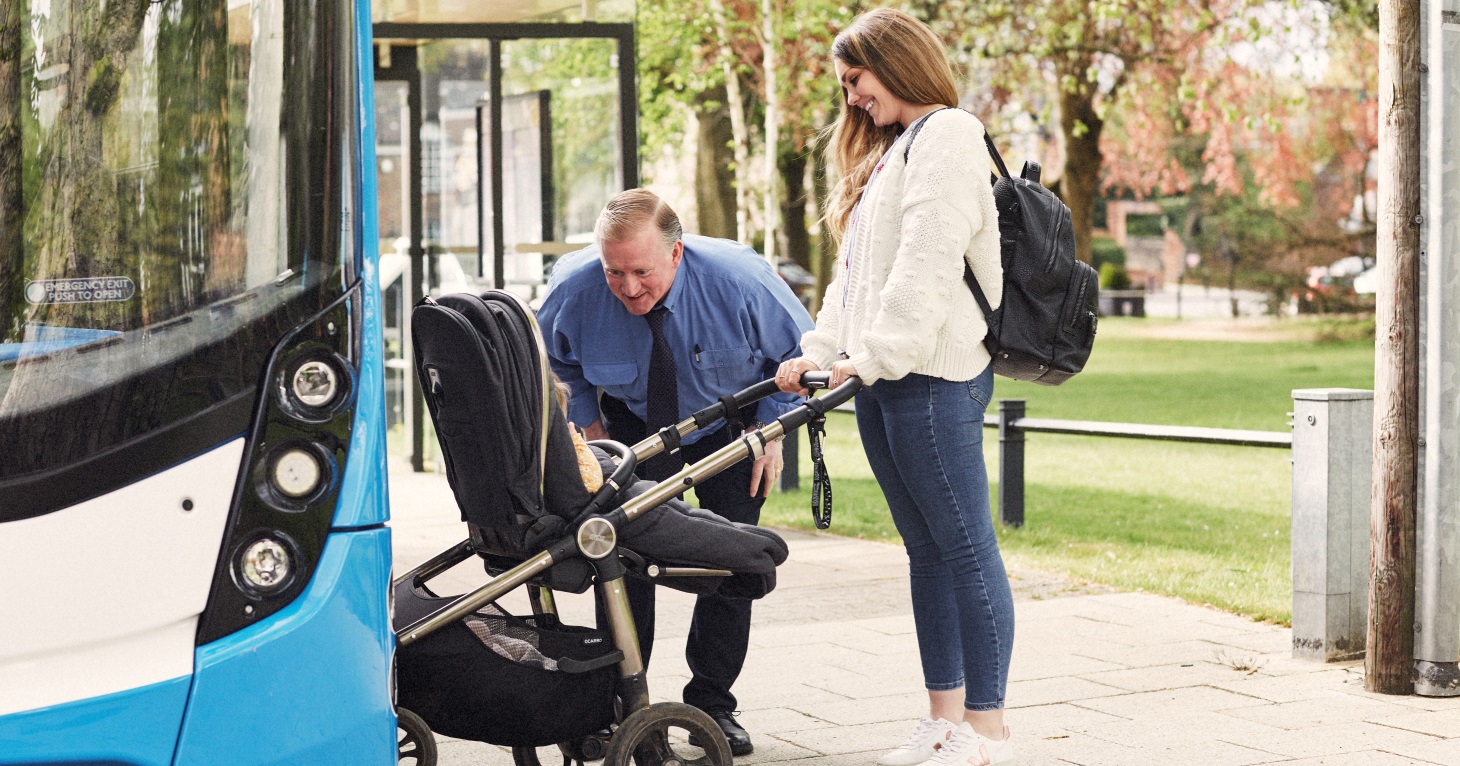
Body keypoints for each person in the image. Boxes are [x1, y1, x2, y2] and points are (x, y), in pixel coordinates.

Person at [775, 8, 1016, 766]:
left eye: (857, 80)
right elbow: (856, 276)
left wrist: (873, 354)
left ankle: (986, 733)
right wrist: (818, 350)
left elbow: (926, 262)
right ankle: (943, 720)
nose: (851, 98)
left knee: (967, 549)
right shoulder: (893, 153)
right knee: (926, 551)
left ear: (897, 61)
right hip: (882, 377)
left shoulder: (949, 134)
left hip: (935, 376)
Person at [537, 188, 814, 755]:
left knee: (732, 557)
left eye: (641, 271)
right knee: (620, 557)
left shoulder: (742, 281)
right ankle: (619, 705)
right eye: (615, 272)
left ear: (677, 253)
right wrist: (590, 428)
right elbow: (551, 361)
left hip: (733, 426)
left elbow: (807, 356)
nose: (629, 287)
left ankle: (712, 703)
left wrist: (773, 431)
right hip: (629, 422)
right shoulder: (574, 288)